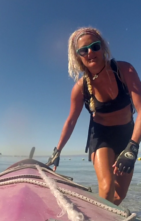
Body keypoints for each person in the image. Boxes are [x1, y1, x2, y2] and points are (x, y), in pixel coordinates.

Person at [47, 27, 141, 205]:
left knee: (119, 196)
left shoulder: (125, 71)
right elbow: (71, 121)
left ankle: (93, 211)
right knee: (106, 189)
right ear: (78, 56)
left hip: (126, 135)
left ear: (103, 48)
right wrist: (57, 150)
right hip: (101, 135)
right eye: (83, 50)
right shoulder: (79, 88)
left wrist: (133, 146)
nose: (90, 52)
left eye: (94, 46)